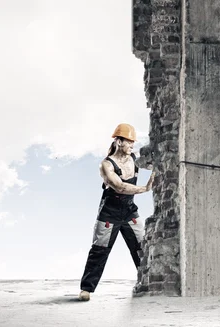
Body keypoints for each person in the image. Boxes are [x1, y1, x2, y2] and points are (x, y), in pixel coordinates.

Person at [78, 123, 155, 301]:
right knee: (99, 251)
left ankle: (148, 283)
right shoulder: (106, 165)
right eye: (129, 142)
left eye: (133, 143)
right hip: (109, 213)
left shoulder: (135, 158)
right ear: (119, 141)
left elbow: (155, 161)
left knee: (141, 248)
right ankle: (86, 289)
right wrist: (144, 188)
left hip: (129, 211)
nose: (132, 146)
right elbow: (119, 187)